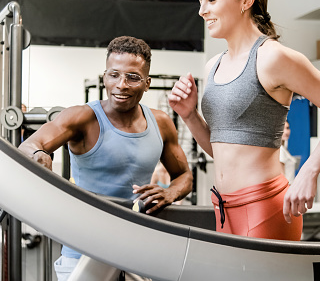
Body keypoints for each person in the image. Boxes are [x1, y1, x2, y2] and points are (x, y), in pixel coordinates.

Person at [168, 0, 320, 240]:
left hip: (264, 208)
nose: (202, 10)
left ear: (246, 0)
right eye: (200, 1)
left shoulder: (273, 57)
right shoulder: (212, 66)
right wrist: (189, 115)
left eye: (211, 0)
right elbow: (221, 150)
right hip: (223, 207)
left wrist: (309, 172)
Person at [18, 36, 193, 280]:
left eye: (133, 77)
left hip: (138, 253)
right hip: (83, 252)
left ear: (147, 83)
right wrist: (39, 155)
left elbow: (184, 176)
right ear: (105, 77)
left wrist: (170, 193)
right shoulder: (81, 118)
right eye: (114, 75)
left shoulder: (161, 123)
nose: (122, 84)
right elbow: (29, 145)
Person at [279, 120, 297, 184]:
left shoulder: (283, 149)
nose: (286, 132)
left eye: (287, 128)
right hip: (286, 189)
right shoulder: (280, 150)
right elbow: (282, 177)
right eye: (283, 129)